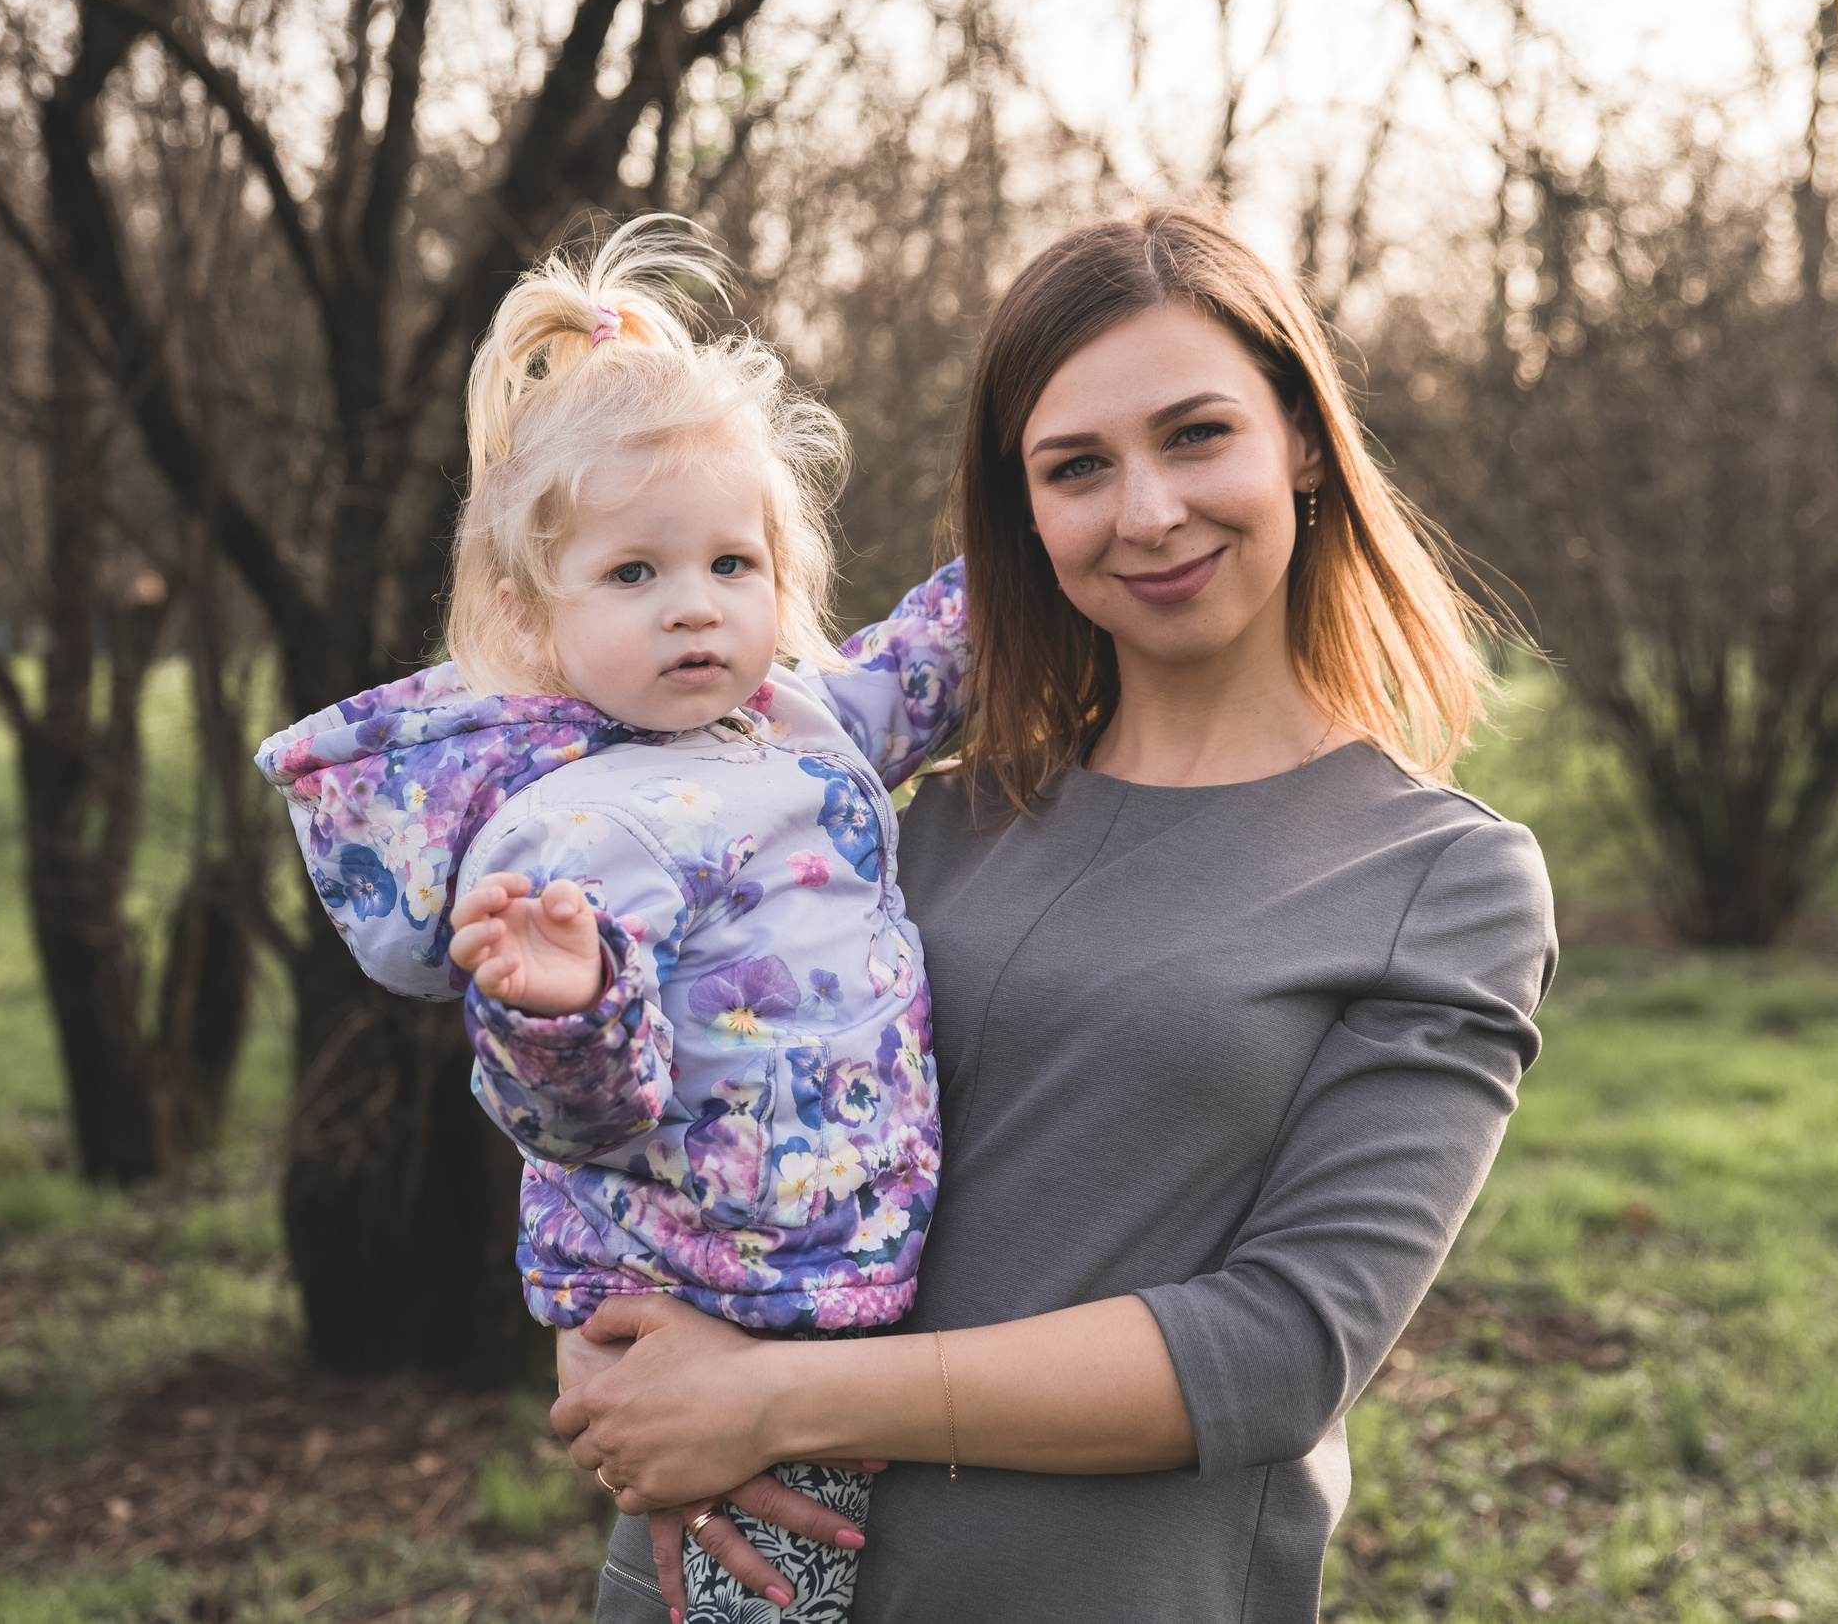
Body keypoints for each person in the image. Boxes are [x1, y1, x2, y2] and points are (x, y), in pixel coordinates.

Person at [550, 206, 1559, 1623]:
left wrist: (771, 1396)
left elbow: (1277, 1347)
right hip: (723, 1586)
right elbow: (669, 1123)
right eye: (1077, 465)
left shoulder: (1435, 879)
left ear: (1305, 441)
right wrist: (610, 1359)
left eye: (1198, 433)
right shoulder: (917, 824)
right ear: (1024, 510)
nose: (1146, 510)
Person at [255, 217, 970, 1624]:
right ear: (532, 618)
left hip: (842, 1277)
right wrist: (557, 1007)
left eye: (730, 564)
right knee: (773, 1585)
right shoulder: (570, 827)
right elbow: (582, 1119)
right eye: (635, 575)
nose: (694, 608)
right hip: (720, 1303)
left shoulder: (797, 716)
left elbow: (922, 672)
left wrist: (1017, 563)